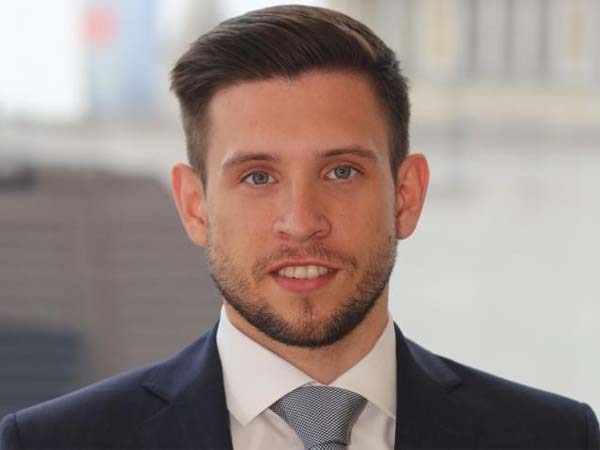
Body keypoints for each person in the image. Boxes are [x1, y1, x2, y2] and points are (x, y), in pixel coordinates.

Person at [1, 4, 598, 450]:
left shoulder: (555, 438)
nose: (301, 222)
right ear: (194, 206)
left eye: (341, 171)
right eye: (258, 177)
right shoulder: (52, 443)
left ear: (406, 196)